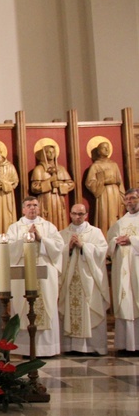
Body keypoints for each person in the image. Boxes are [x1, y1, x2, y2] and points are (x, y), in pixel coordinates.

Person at [6, 196, 64, 357]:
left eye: (35, 205)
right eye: (28, 205)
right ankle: (25, 349)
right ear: (23, 209)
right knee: (22, 307)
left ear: (39, 208)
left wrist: (41, 239)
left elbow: (59, 247)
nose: (32, 208)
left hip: (45, 274)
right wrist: (25, 239)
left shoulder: (48, 227)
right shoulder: (15, 227)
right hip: (23, 273)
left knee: (48, 305)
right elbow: (8, 248)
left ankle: (48, 348)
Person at [59, 204, 110, 355]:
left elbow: (102, 252)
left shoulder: (95, 232)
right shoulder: (63, 233)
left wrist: (83, 246)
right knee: (69, 308)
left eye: (81, 214)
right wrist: (67, 248)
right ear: (70, 214)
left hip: (89, 281)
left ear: (86, 215)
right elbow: (56, 254)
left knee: (90, 308)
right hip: (70, 280)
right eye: (74, 213)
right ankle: (70, 346)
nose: (77, 216)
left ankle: (93, 347)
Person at [107, 188, 139, 353]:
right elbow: (109, 244)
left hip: (137, 268)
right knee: (125, 303)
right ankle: (125, 345)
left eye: (133, 198)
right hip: (123, 270)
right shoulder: (119, 223)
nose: (129, 202)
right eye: (126, 199)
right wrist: (115, 241)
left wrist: (132, 240)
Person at [30, 142, 74, 230]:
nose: (51, 154)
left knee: (59, 220)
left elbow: (71, 184)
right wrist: (49, 183)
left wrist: (60, 185)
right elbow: (34, 187)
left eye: (53, 152)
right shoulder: (39, 169)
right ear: (44, 154)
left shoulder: (61, 169)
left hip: (58, 199)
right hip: (45, 199)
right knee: (46, 220)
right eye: (48, 152)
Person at [85, 140, 125, 235]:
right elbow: (89, 182)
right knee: (104, 216)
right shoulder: (96, 166)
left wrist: (122, 196)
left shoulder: (114, 164)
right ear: (98, 151)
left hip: (115, 193)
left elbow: (120, 182)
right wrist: (104, 181)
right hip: (103, 193)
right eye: (104, 147)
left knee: (115, 216)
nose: (107, 149)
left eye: (108, 147)